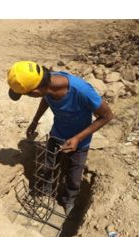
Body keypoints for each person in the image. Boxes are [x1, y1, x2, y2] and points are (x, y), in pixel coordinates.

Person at [7, 60, 114, 215]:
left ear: (35, 92)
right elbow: (46, 98)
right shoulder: (47, 85)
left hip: (80, 140)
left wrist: (78, 138)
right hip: (57, 133)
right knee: (48, 165)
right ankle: (46, 190)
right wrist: (35, 121)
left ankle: (69, 199)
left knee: (74, 175)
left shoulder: (81, 91)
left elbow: (107, 116)